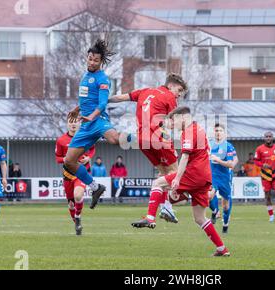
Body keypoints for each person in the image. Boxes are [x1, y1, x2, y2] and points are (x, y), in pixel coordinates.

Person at [131, 106, 230, 256]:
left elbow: (185, 156)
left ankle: (151, 218)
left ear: (182, 117)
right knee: (199, 218)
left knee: (158, 183)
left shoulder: (189, 131)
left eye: (173, 120)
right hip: (204, 177)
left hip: (193, 174)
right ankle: (222, 249)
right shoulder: (199, 128)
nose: (173, 125)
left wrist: (177, 178)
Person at [109, 73, 188, 223]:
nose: (178, 95)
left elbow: (119, 98)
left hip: (142, 141)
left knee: (163, 173)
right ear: (171, 85)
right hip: (158, 137)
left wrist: (102, 101)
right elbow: (174, 122)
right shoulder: (169, 97)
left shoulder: (144, 91)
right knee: (176, 174)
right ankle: (167, 207)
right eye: (179, 91)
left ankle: (162, 211)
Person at [63, 39, 130, 210]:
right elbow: (87, 99)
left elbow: (101, 104)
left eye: (96, 60)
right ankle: (95, 187)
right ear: (87, 57)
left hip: (98, 120)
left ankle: (138, 134)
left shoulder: (103, 79)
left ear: (101, 62)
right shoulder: (85, 76)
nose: (92, 62)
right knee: (69, 162)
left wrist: (90, 116)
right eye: (90, 59)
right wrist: (77, 109)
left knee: (115, 140)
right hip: (86, 124)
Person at [56, 117, 96, 235]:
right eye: (70, 122)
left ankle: (78, 216)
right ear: (67, 124)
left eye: (75, 122)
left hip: (82, 172)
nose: (73, 124)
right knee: (71, 204)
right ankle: (77, 223)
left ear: (79, 123)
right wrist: (67, 159)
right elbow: (57, 158)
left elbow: (92, 148)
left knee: (78, 195)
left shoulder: (85, 136)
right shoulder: (61, 140)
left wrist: (89, 157)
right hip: (68, 174)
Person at [208, 124, 238, 234]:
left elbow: (231, 164)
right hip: (212, 176)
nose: (218, 132)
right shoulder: (209, 145)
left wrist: (218, 160)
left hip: (225, 178)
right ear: (213, 132)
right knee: (209, 196)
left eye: (220, 130)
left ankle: (225, 224)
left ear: (224, 133)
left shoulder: (228, 146)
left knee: (225, 205)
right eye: (216, 130)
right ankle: (215, 211)